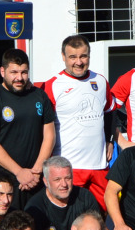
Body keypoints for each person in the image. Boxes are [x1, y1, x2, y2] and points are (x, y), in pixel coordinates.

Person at [42, 35, 115, 209]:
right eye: (73, 57)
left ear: (89, 56)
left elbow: (110, 112)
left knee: (101, 215)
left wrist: (110, 140)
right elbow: (42, 127)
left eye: (83, 56)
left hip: (99, 165)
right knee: (72, 217)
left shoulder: (100, 81)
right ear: (63, 57)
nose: (79, 62)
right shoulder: (52, 85)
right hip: (69, 169)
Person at [0, 49, 56, 207]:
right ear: (2, 71)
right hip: (5, 182)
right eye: (13, 72)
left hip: (36, 180)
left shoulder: (40, 96)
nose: (19, 78)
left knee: (36, 221)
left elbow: (50, 136)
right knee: (9, 222)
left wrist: (36, 171)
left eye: (24, 72)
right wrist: (19, 172)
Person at [25, 156, 106, 230]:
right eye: (57, 179)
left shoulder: (85, 196)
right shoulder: (35, 207)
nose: (64, 184)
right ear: (46, 181)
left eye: (67, 178)